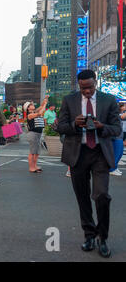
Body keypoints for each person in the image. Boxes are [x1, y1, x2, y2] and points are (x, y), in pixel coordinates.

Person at [58, 70, 121, 258]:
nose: (87, 91)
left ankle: (103, 237)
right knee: (82, 198)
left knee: (102, 195)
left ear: (96, 83)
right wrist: (74, 125)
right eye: (83, 88)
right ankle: (89, 235)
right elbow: (60, 127)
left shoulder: (109, 100)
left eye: (90, 87)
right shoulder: (69, 100)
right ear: (78, 84)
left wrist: (102, 127)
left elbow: (117, 129)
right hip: (78, 154)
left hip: (100, 153)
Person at [24, 96, 48, 173]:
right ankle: (31, 167)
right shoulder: (30, 115)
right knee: (32, 152)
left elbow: (41, 106)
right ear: (28, 108)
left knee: (37, 152)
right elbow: (40, 112)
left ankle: (35, 166)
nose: (33, 105)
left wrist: (45, 100)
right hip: (33, 134)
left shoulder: (34, 112)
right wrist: (44, 105)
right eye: (31, 104)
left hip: (38, 134)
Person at [109, 102, 125, 177]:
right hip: (116, 137)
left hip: (120, 137)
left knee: (120, 153)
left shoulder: (119, 114)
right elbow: (122, 117)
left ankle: (115, 167)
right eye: (124, 106)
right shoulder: (115, 115)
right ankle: (112, 169)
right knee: (116, 154)